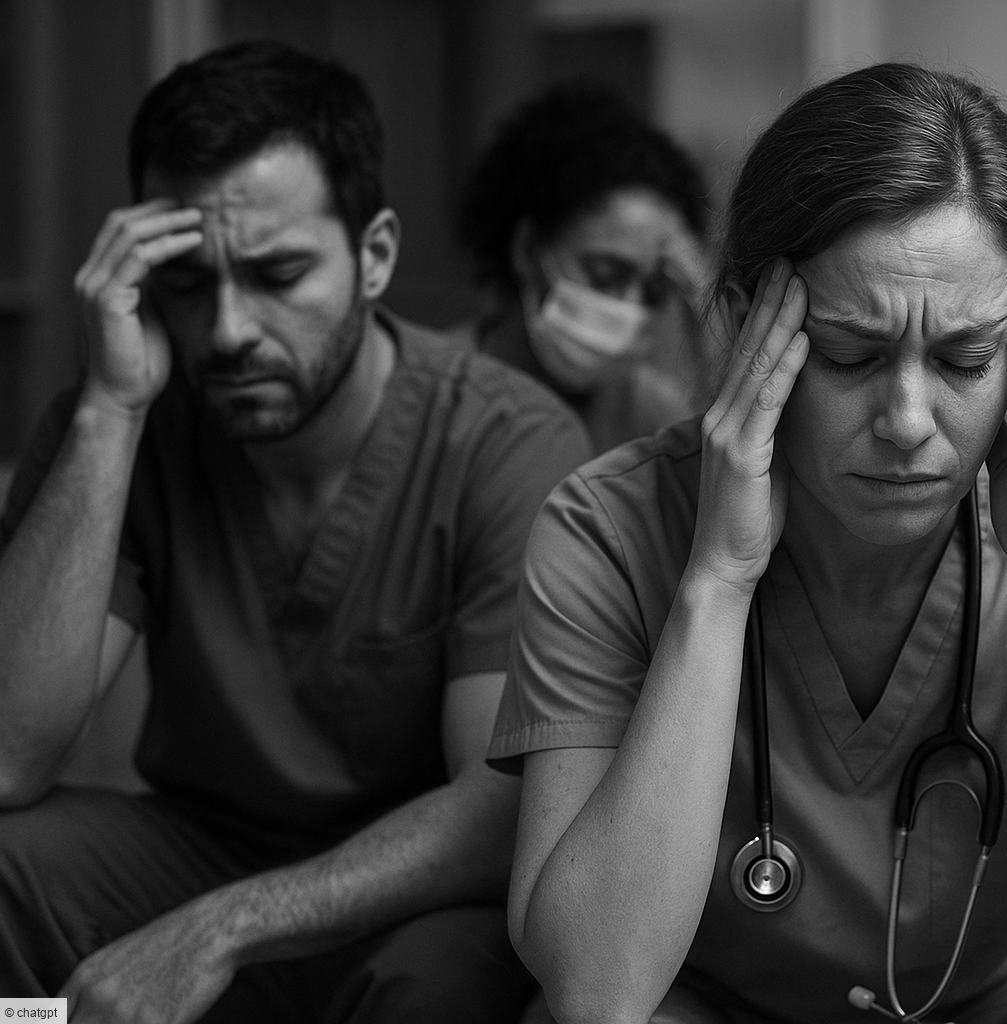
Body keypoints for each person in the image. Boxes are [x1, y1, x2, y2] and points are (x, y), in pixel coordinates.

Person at [491, 63, 1007, 1024]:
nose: (909, 420)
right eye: (850, 355)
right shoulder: (607, 530)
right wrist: (717, 579)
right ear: (749, 321)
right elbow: (595, 989)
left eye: (966, 359)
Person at [0, 41, 590, 1020]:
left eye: (278, 274)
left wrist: (223, 926)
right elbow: (9, 760)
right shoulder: (126, 419)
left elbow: (500, 811)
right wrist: (110, 409)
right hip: (196, 848)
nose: (228, 329)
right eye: (187, 282)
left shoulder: (504, 443)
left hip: (410, 892)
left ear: (376, 256)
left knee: (451, 975)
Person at [456, 81, 710, 454]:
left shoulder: (653, 417)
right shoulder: (434, 399)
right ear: (527, 251)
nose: (630, 308)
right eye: (607, 276)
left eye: (655, 289)